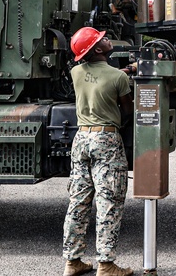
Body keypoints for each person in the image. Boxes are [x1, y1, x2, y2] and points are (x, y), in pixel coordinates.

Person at [62, 27, 134, 276]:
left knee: (79, 201)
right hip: (106, 139)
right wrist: (125, 75)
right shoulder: (119, 79)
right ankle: (105, 264)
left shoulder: (76, 72)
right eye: (100, 39)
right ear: (98, 50)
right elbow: (127, 111)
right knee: (109, 201)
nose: (106, 39)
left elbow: (97, 79)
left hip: (81, 139)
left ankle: (73, 261)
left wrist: (121, 72)